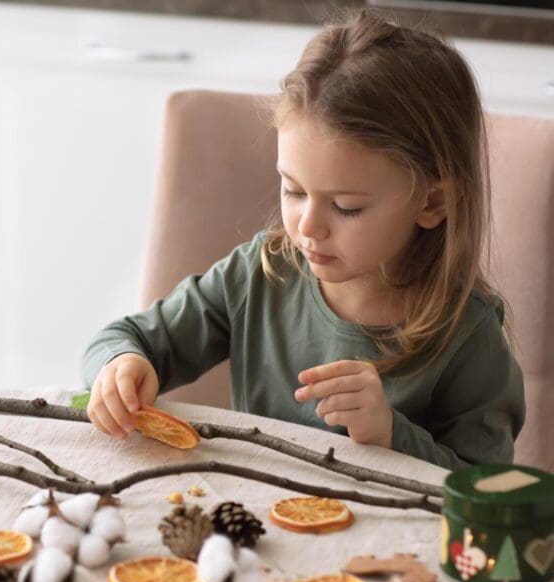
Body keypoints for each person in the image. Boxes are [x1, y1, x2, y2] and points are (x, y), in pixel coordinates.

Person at [81, 9, 525, 469]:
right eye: (293, 190)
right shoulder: (260, 273)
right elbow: (124, 338)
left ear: (432, 204)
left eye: (346, 206)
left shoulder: (469, 339)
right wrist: (120, 368)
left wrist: (393, 434)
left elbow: (491, 497)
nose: (307, 226)